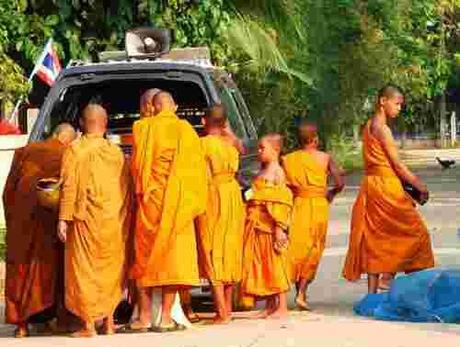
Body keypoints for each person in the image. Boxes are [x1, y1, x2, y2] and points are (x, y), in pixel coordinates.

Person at [342, 85, 434, 293]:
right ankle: (400, 282)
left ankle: (377, 287)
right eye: (397, 103)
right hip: (386, 187)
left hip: (373, 186)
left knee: (378, 237)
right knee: (417, 233)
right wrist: (420, 185)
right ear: (383, 101)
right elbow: (398, 165)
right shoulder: (382, 129)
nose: (399, 108)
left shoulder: (368, 125)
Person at [130, 91, 207, 332]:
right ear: (173, 106)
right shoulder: (185, 130)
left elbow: (136, 168)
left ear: (153, 107)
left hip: (149, 204)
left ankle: (143, 317)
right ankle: (164, 317)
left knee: (144, 258)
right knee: (172, 259)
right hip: (177, 204)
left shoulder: (141, 128)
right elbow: (196, 172)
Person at [58, 104, 132, 337]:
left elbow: (68, 186)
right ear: (105, 123)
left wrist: (63, 218)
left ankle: (89, 324)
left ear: (81, 123)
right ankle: (109, 322)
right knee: (110, 269)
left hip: (84, 220)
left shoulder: (75, 150)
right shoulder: (115, 153)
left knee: (84, 269)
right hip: (112, 220)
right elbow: (126, 188)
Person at [4, 123, 76, 337]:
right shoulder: (66, 154)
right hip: (47, 222)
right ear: (67, 139)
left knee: (20, 272)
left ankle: (21, 326)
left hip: (22, 222)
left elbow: (8, 191)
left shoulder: (24, 152)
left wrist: (13, 221)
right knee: (49, 272)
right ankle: (57, 320)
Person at [283, 122, 344, 311]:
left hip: (298, 205)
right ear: (316, 139)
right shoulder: (324, 158)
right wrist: (331, 193)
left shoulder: (288, 159)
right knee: (314, 248)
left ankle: (290, 290)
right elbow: (339, 182)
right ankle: (302, 293)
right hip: (319, 206)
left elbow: (284, 185)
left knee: (296, 247)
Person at [197, 105, 245, 323]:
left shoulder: (202, 144)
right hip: (232, 194)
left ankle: (222, 312)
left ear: (205, 121)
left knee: (212, 247)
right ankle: (227, 307)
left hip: (213, 194)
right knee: (230, 246)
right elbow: (242, 149)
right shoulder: (231, 144)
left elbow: (201, 175)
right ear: (224, 122)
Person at [241, 134, 293, 319]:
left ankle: (283, 306)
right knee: (262, 264)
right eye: (259, 148)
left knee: (275, 264)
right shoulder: (262, 171)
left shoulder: (278, 172)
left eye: (263, 148)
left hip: (271, 227)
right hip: (256, 225)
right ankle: (271, 305)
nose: (259, 152)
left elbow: (282, 201)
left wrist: (280, 228)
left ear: (276, 150)